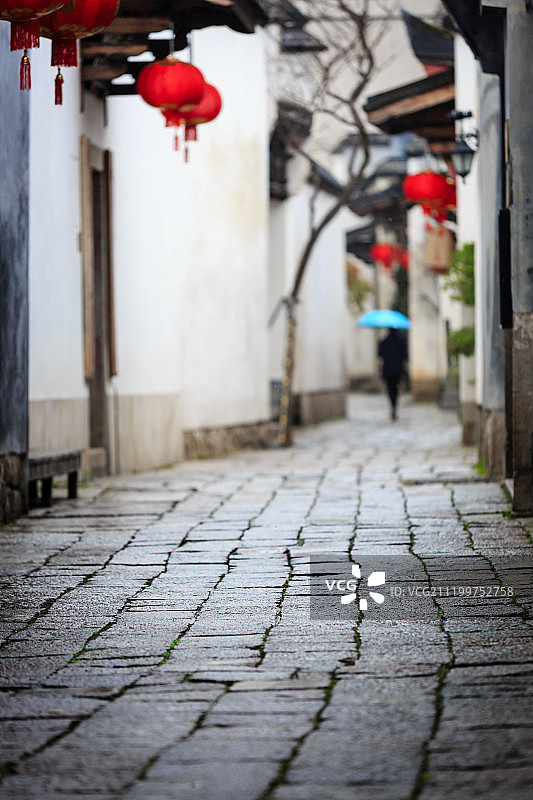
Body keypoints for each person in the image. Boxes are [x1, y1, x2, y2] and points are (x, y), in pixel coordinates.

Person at [378, 328, 408, 420]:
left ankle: (393, 405)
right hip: (398, 369)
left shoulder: (384, 341)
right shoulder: (401, 341)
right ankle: (395, 405)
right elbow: (405, 356)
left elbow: (380, 355)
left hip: (388, 369)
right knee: (396, 388)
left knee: (390, 388)